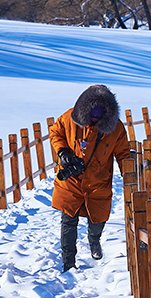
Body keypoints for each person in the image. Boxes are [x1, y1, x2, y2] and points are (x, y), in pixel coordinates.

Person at [49, 84, 131, 271]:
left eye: (98, 116)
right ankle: (68, 262)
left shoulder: (115, 128)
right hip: (70, 179)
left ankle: (94, 240)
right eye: (90, 115)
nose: (93, 119)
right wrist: (62, 152)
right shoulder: (69, 118)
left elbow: (123, 153)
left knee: (98, 219)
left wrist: (129, 175)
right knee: (68, 220)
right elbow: (56, 132)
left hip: (98, 181)